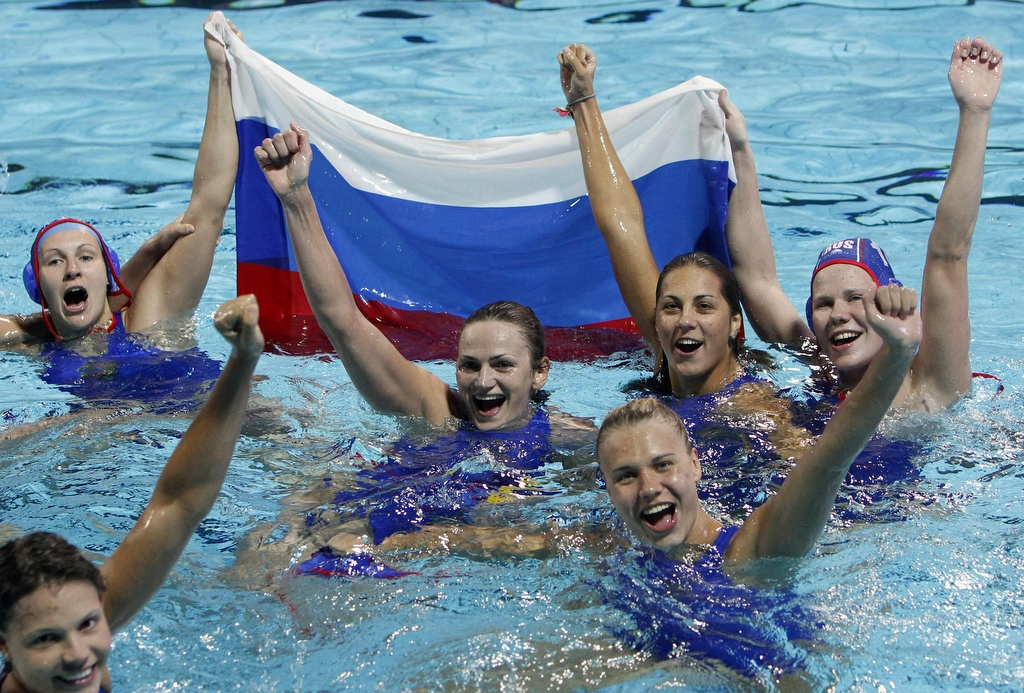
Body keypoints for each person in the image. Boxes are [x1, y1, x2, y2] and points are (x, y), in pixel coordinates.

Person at [721, 36, 1002, 411]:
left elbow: (948, 254)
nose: (838, 314)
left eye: (856, 298)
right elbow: (755, 277)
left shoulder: (930, 383)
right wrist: (738, 148)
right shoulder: (820, 366)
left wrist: (975, 112)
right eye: (823, 304)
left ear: (890, 303)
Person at [0, 294, 263, 693]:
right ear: (5, 646)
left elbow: (180, 502)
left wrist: (243, 361)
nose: (77, 655)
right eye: (44, 639)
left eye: (89, 624)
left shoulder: (79, 618)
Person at [596, 283, 920, 565]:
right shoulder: (610, 558)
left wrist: (897, 354)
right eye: (626, 476)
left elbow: (829, 460)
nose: (649, 488)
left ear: (696, 465)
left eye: (664, 465)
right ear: (607, 489)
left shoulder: (749, 553)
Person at [0, 13, 241, 350]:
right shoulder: (35, 345)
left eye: (86, 257)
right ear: (37, 285)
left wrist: (221, 74)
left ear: (108, 276)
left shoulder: (148, 318)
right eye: (55, 261)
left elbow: (210, 204)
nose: (72, 270)